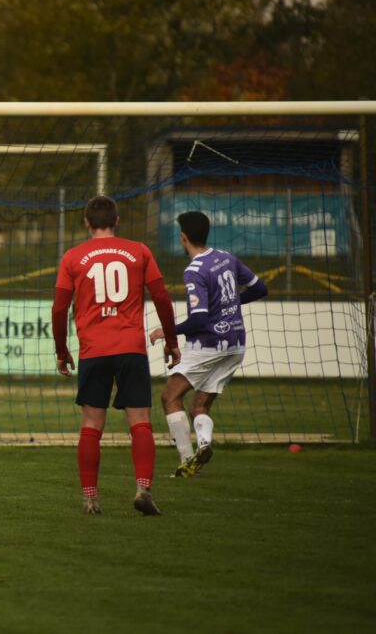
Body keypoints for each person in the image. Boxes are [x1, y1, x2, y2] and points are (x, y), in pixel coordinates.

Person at [52, 195, 181, 516]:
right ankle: (142, 488)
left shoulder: (72, 257)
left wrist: (61, 349)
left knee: (92, 423)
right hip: (131, 348)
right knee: (140, 422)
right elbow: (163, 298)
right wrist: (172, 340)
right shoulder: (139, 251)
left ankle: (90, 497)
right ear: (117, 221)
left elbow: (59, 309)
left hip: (94, 351)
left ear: (86, 223)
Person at [149, 211, 268, 478]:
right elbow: (261, 288)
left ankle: (187, 460)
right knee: (199, 406)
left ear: (183, 237)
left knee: (170, 397)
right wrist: (230, 304)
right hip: (236, 345)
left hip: (209, 344)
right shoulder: (226, 257)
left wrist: (167, 331)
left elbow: (200, 319)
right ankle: (203, 445)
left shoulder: (194, 270)